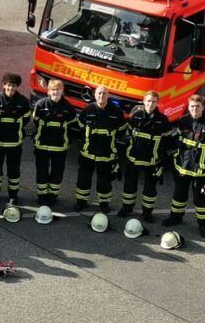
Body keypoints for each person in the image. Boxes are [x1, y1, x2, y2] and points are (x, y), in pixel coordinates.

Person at [163, 94, 205, 237]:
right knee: (179, 195)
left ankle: (203, 225)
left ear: (203, 107)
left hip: (201, 170)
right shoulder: (183, 121)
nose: (194, 109)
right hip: (183, 167)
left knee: (201, 199)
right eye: (192, 106)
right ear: (188, 107)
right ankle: (175, 217)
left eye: (197, 106)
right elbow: (178, 140)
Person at [118, 90, 174, 222]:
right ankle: (126, 208)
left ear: (157, 103)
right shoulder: (136, 116)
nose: (150, 104)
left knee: (150, 190)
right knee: (129, 186)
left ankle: (147, 213)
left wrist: (163, 163)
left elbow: (168, 143)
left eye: (153, 101)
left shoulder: (163, 120)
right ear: (144, 101)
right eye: (148, 101)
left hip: (152, 161)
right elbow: (127, 136)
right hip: (133, 159)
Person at [74, 84, 127, 214]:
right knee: (83, 179)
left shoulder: (116, 112)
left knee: (104, 181)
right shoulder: (87, 110)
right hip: (88, 153)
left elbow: (121, 131)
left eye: (104, 93)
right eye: (99, 93)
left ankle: (104, 204)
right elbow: (80, 127)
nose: (101, 96)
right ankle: (81, 201)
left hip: (106, 154)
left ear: (108, 95)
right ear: (94, 95)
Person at [31, 78, 77, 208]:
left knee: (57, 173)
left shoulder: (68, 107)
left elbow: (72, 125)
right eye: (53, 89)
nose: (55, 92)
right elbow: (35, 121)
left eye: (58, 89)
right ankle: (42, 196)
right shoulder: (40, 104)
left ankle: (52, 196)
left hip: (60, 147)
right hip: (42, 145)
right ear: (48, 91)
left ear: (62, 91)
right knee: (42, 172)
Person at [0, 73, 29, 206]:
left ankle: (13, 196)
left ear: (17, 86)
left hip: (15, 144)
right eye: (8, 85)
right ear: (4, 85)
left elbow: (26, 119)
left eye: (13, 86)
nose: (11, 88)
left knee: (14, 171)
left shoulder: (23, 102)